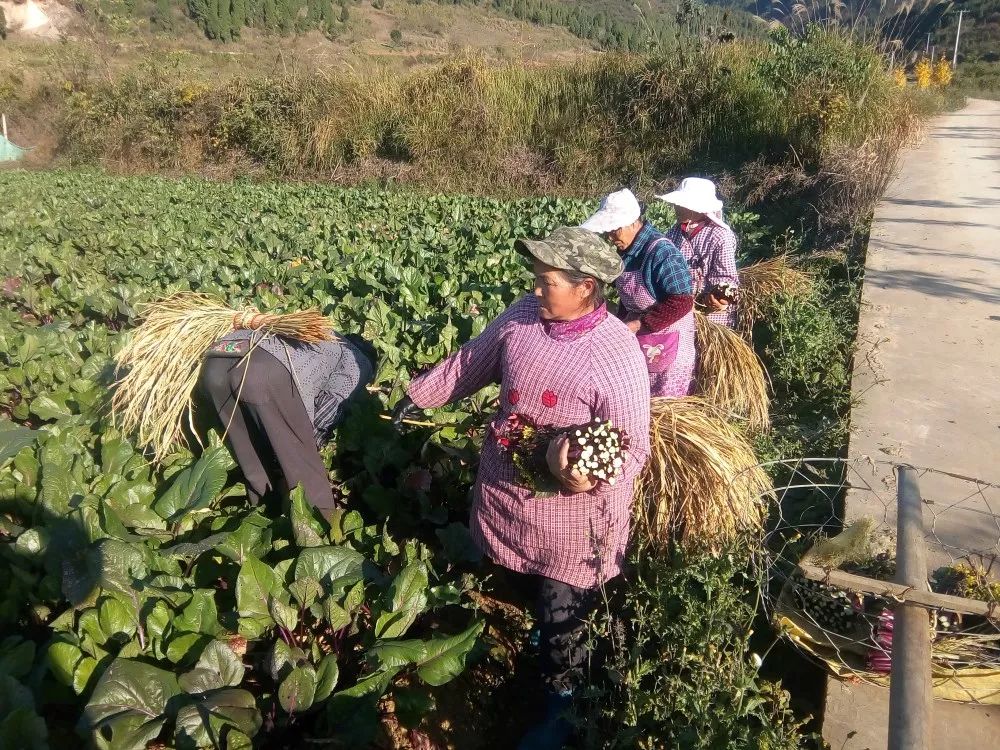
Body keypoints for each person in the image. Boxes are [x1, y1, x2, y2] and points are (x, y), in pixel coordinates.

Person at [392, 227, 651, 750]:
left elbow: (633, 449)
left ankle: (564, 705)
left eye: (547, 281)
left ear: (585, 287)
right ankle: (541, 643)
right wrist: (420, 395)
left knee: (563, 618)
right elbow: (471, 362)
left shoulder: (616, 353)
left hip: (573, 521)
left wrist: (588, 475)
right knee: (516, 578)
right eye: (534, 279)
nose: (535, 290)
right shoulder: (520, 320)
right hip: (509, 496)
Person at [198, 329, 376, 518]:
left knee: (250, 453)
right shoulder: (359, 359)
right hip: (261, 371)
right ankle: (319, 527)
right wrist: (310, 444)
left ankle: (263, 515)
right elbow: (329, 408)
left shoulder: (322, 334)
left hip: (215, 363)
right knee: (304, 469)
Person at [580, 188, 696, 397]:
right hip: (640, 339)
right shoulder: (627, 253)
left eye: (614, 229)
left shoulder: (662, 252)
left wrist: (638, 324)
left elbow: (682, 301)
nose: (610, 236)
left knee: (664, 412)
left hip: (668, 344)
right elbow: (629, 297)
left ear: (632, 222)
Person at [658, 177, 740, 328]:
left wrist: (719, 297)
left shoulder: (720, 236)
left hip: (710, 318)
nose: (675, 207)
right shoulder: (674, 233)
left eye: (680, 204)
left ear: (694, 208)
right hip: (680, 312)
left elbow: (728, 278)